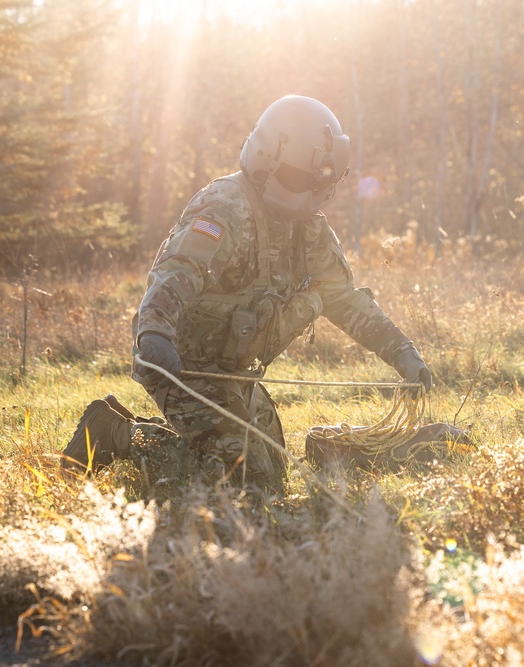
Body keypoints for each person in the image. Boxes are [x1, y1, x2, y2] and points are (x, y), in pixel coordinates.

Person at [61, 95, 433, 489]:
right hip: (180, 363)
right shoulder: (224, 207)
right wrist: (155, 332)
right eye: (300, 177)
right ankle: (114, 434)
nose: (310, 190)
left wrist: (402, 353)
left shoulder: (308, 227)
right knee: (244, 478)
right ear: (267, 159)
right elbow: (178, 271)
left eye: (319, 180)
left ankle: (166, 435)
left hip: (233, 371)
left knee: (273, 469)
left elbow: (344, 298)